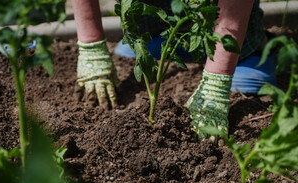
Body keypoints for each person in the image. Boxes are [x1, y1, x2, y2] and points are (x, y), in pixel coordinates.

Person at [71, 0, 276, 139]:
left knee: (244, 77)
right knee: (146, 37)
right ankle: (153, 39)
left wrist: (218, 80)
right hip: (155, 24)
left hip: (224, 18)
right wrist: (91, 44)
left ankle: (250, 47)